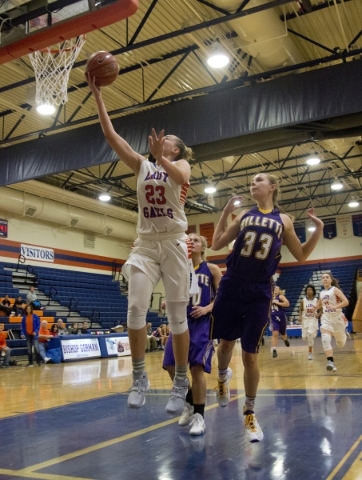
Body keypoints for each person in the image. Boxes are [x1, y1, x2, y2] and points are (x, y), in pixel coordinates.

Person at [86, 73, 193, 413]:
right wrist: (97, 95)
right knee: (135, 309)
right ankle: (138, 377)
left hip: (175, 242)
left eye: (169, 141)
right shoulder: (141, 165)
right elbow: (110, 135)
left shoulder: (180, 164)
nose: (163, 141)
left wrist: (161, 159)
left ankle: (180, 381)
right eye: (161, 142)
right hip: (145, 244)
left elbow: (180, 177)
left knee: (177, 317)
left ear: (174, 149)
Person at [210, 173, 323, 443]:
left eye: (258, 180)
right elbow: (216, 244)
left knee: (250, 355)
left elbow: (302, 255)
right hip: (232, 284)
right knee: (225, 345)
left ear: (272, 187)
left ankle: (249, 413)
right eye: (251, 181)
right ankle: (223, 378)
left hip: (260, 290)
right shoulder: (244, 216)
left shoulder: (283, 220)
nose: (253, 183)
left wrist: (318, 229)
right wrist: (225, 211)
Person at [163, 234, 222, 436]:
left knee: (196, 368)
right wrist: (167, 302)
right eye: (189, 239)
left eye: (196, 240)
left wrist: (206, 309)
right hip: (181, 322)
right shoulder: (180, 269)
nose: (191, 241)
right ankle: (189, 400)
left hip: (202, 324)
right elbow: (173, 293)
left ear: (204, 247)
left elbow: (222, 299)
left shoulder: (212, 269)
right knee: (170, 365)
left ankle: (199, 417)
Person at [315, 272, 349, 372]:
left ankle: (344, 335)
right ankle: (330, 362)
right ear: (321, 281)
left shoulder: (335, 289)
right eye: (323, 278)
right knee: (325, 339)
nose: (325, 279)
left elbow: (346, 302)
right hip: (326, 318)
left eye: (327, 277)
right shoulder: (321, 293)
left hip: (337, 318)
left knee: (340, 343)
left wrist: (334, 307)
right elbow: (319, 305)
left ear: (331, 280)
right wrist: (313, 308)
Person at [299, 284, 319, 360]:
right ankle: (311, 337)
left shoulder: (317, 300)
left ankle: (310, 353)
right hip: (305, 320)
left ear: (313, 291)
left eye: (310, 290)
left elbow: (321, 310)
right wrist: (300, 316)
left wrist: (318, 314)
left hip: (313, 320)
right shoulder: (303, 301)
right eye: (307, 290)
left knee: (310, 335)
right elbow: (300, 310)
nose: (309, 291)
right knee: (304, 338)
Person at [270, 285, 290, 358]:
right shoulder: (269, 297)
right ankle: (274, 350)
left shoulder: (280, 296)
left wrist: (277, 302)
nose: (275, 289)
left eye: (277, 288)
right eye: (274, 288)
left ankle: (285, 339)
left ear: (279, 290)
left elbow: (287, 304)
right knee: (275, 333)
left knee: (283, 333)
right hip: (273, 317)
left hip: (281, 317)